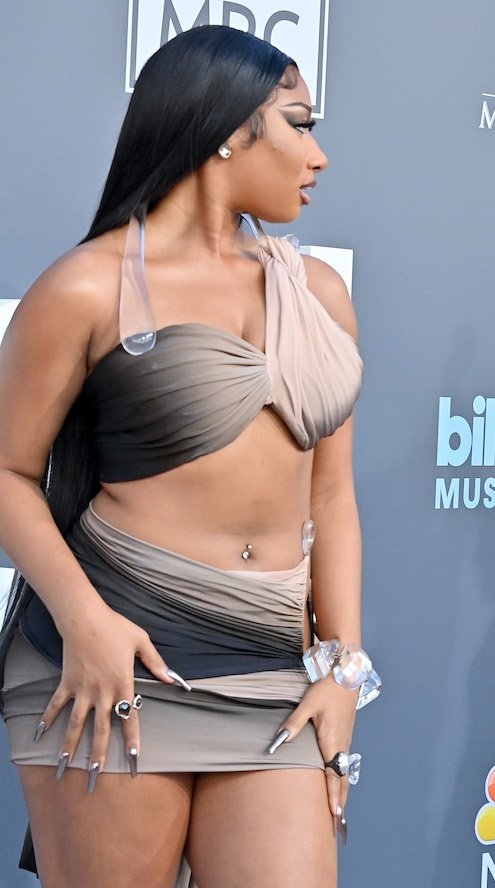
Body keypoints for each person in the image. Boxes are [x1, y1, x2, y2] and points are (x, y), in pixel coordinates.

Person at [0, 26, 367, 887]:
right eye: (299, 124)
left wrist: (346, 667)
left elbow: (335, 498)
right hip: (116, 660)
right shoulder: (85, 287)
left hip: (275, 668)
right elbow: (8, 474)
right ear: (227, 130)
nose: (318, 156)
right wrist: (87, 622)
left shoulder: (320, 293)